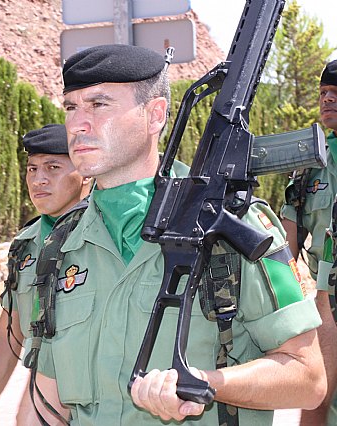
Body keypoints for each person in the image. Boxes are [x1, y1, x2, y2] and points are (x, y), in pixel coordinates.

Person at [29, 44, 326, 425]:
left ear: (155, 115)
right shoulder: (59, 248)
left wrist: (205, 382)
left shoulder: (233, 229)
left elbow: (307, 376)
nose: (77, 124)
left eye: (99, 105)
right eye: (71, 107)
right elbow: (46, 402)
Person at [0, 124, 92, 425]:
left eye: (53, 167)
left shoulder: (106, 237)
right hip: (46, 390)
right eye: (32, 168)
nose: (39, 180)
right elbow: (9, 333)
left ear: (85, 174)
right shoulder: (26, 244)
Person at [281, 58, 337, 425]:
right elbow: (288, 237)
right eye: (323, 93)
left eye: (335, 93)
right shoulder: (309, 161)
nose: (327, 100)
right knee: (316, 396)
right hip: (324, 296)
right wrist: (288, 297)